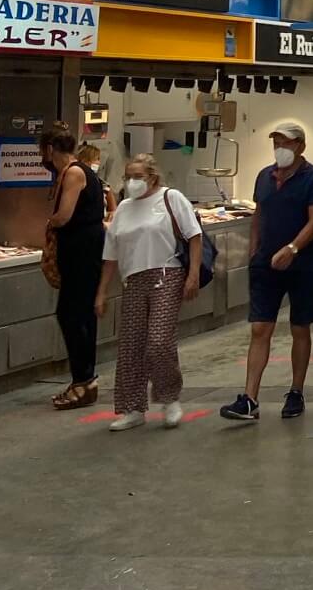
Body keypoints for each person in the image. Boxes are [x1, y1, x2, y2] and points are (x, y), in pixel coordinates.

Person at [221, 122, 313, 423]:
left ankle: (296, 390)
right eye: (277, 143)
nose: (281, 148)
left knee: (300, 326)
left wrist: (292, 249)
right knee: (260, 328)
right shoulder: (264, 177)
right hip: (265, 264)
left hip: (302, 264)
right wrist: (255, 248)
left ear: (300, 147)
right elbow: (260, 214)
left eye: (287, 143)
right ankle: (250, 399)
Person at [95, 153, 201, 431]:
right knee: (131, 345)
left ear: (152, 177)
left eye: (137, 176)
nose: (132, 182)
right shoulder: (125, 209)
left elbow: (194, 235)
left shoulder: (171, 198)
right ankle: (132, 407)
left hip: (167, 273)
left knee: (158, 340)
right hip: (133, 279)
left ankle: (169, 398)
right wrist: (102, 292)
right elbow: (111, 254)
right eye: (128, 177)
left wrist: (193, 275)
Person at [42, 126, 105, 409]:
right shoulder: (72, 172)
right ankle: (84, 380)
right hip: (82, 249)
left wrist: (49, 223)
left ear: (50, 150)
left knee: (72, 314)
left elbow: (64, 215)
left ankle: (83, 380)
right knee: (78, 314)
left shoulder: (74, 172)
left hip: (82, 250)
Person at [78, 144, 117, 220]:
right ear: (84, 160)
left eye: (99, 159)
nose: (98, 163)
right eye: (96, 159)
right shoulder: (75, 183)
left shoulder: (105, 186)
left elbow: (113, 210)